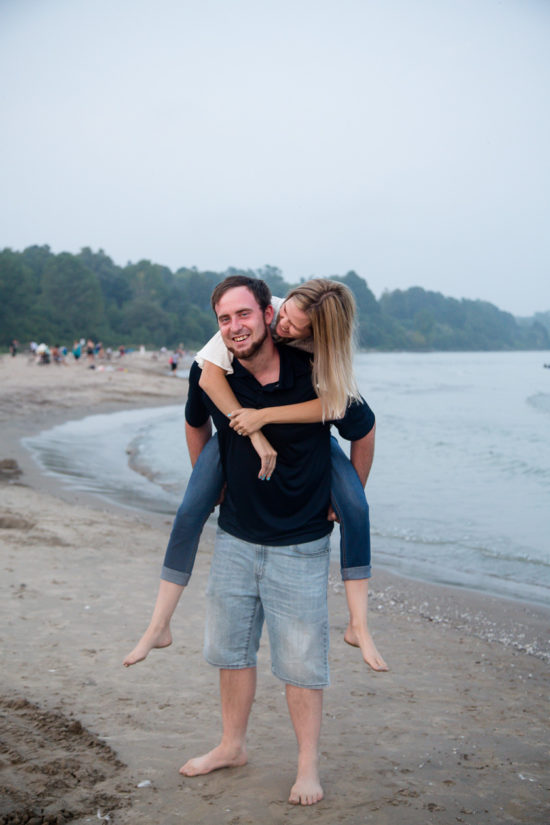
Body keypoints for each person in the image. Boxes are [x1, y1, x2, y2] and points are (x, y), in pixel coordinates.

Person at [177, 276, 377, 804]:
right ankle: (230, 746)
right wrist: (209, 480)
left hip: (303, 540)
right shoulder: (218, 363)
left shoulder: (317, 370)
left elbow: (363, 427)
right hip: (237, 536)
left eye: (255, 316)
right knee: (231, 652)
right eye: (227, 318)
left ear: (266, 314)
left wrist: (348, 491)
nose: (280, 324)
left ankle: (307, 766)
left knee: (303, 662)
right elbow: (195, 420)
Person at [124, 278, 386, 673]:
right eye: (283, 315)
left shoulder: (318, 356)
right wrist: (220, 472)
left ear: (316, 334)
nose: (283, 326)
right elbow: (208, 380)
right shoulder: (253, 317)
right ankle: (159, 624)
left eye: (295, 327)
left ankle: (359, 624)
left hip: (306, 446)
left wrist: (343, 489)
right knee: (191, 506)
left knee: (357, 508)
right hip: (233, 438)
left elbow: (338, 409)